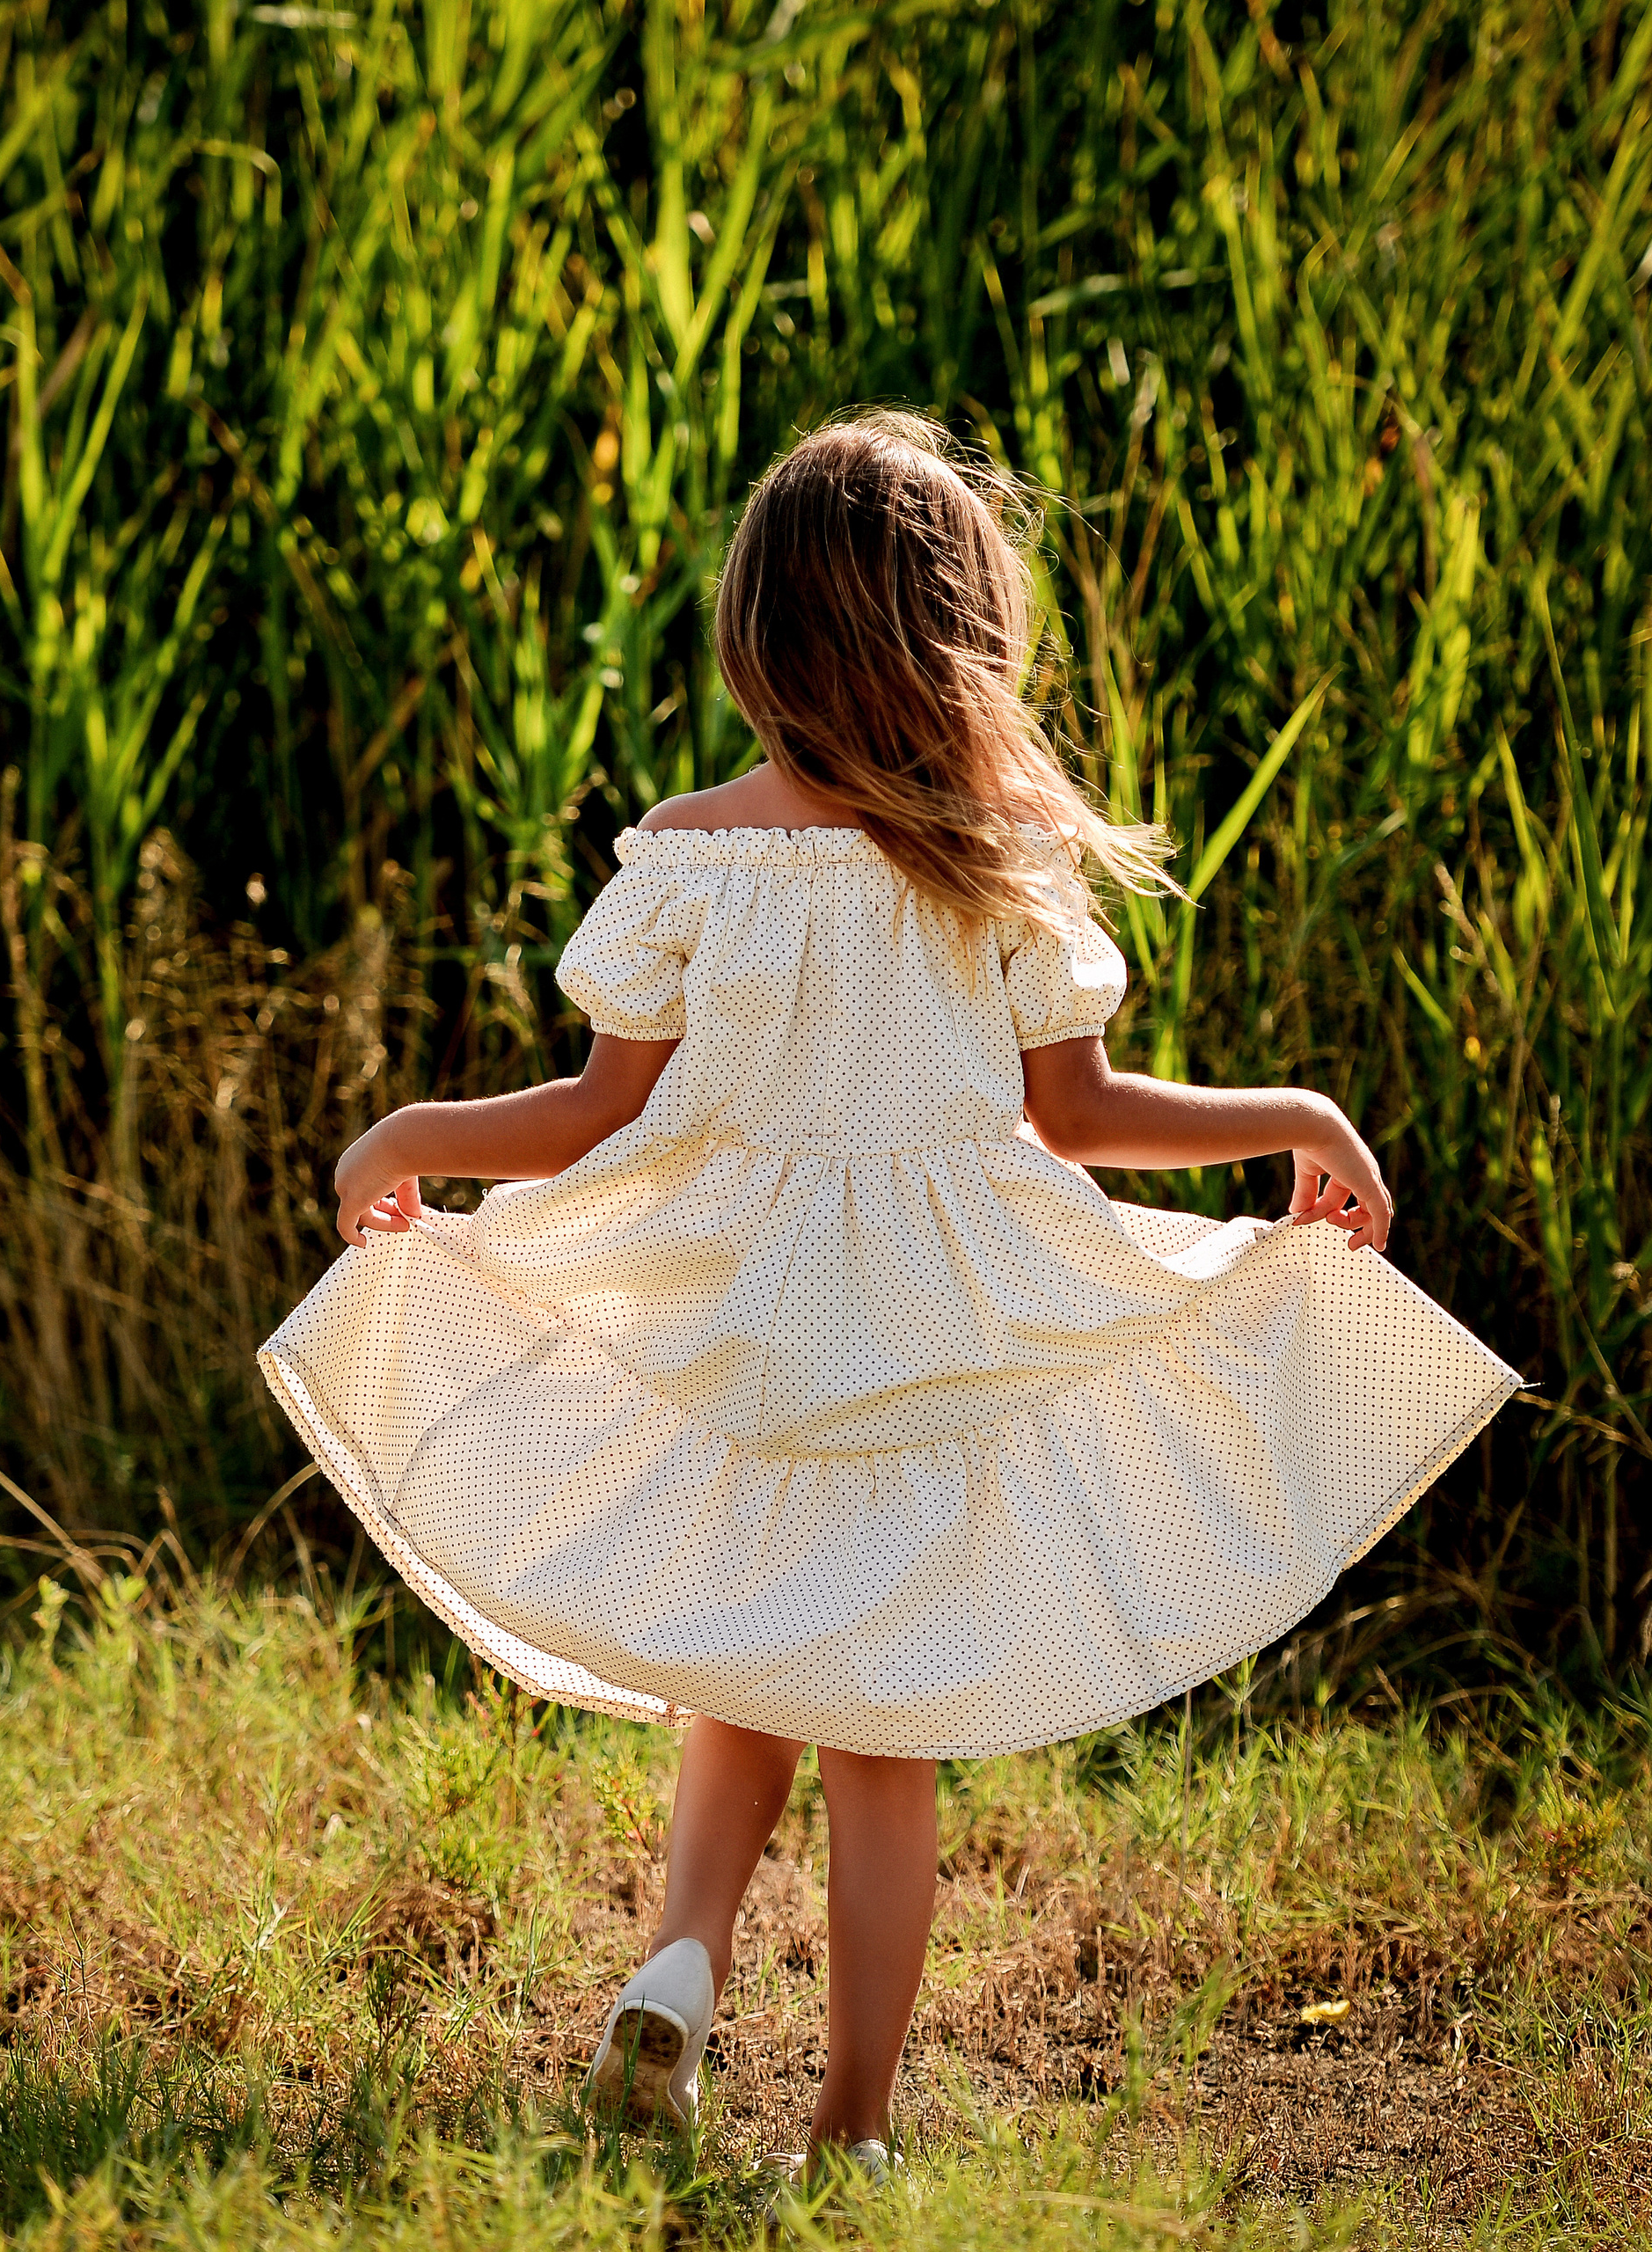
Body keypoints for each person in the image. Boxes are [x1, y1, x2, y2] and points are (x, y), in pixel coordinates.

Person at [257, 408, 1517, 2176]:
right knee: (879, 1743)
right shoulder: (994, 853)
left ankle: (679, 1965)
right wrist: (1288, 1117)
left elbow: (585, 1114)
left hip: (739, 1332)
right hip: (928, 1343)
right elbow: (1076, 1116)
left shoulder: (694, 852)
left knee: (735, 1677)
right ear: (963, 631)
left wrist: (412, 1136)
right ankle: (846, 2130)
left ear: (758, 633)